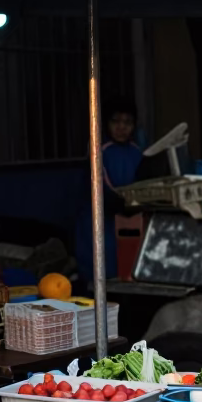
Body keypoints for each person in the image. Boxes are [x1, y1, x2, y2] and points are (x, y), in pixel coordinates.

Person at [75, 96, 143, 285]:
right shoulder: (99, 151)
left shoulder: (137, 152)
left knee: (127, 270)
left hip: (126, 220)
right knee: (100, 272)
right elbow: (98, 188)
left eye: (127, 122)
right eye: (116, 121)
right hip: (99, 222)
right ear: (106, 123)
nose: (121, 128)